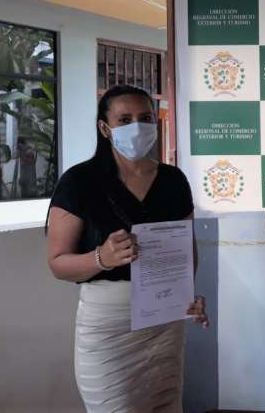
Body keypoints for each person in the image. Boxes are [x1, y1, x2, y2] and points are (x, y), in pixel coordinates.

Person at [46, 85, 208, 413]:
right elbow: (58, 263)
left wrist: (187, 296)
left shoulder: (173, 180)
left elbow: (185, 251)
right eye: (124, 119)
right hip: (108, 326)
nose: (137, 126)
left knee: (166, 405)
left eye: (145, 118)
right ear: (104, 128)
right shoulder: (79, 182)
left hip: (165, 321)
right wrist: (101, 258)